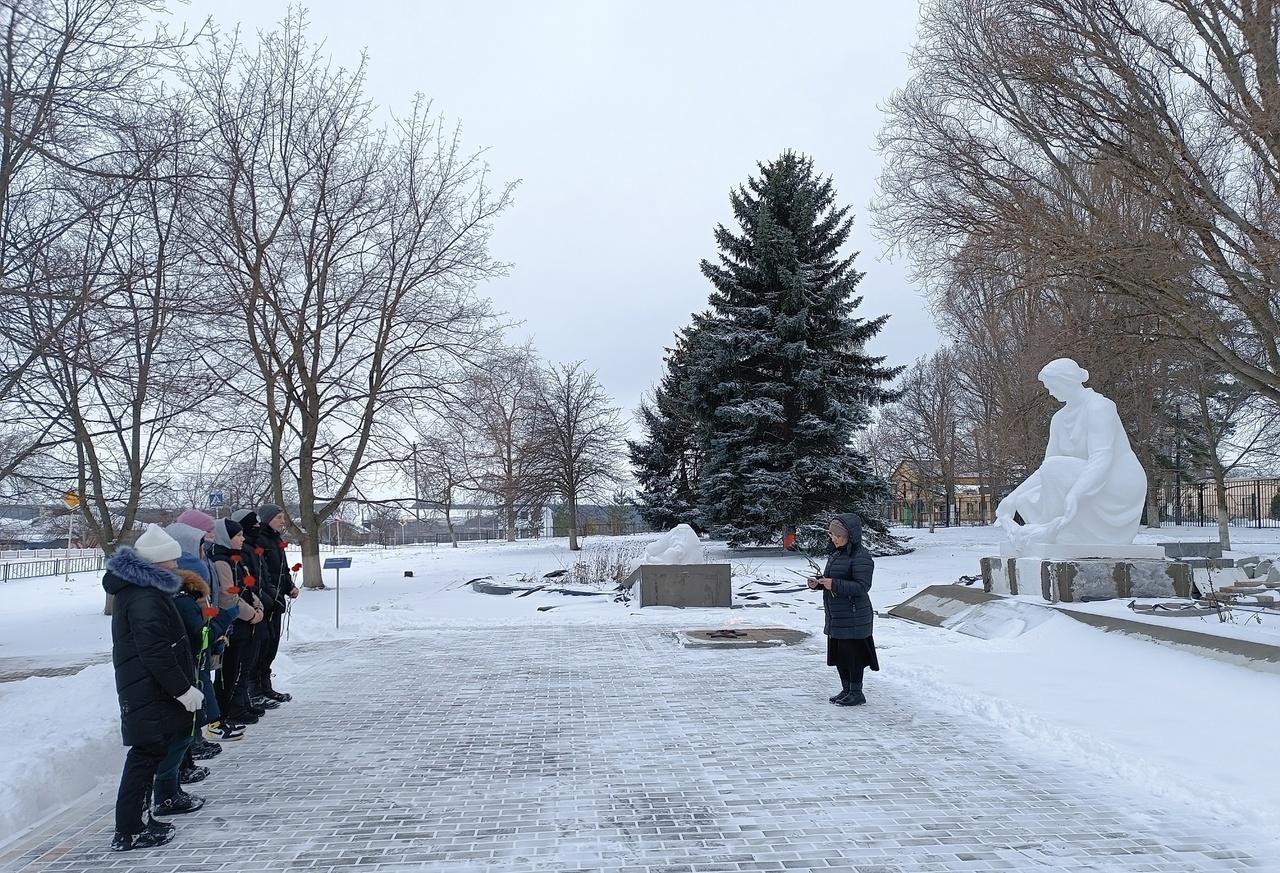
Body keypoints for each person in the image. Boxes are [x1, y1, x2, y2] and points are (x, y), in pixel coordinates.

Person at [104, 525, 204, 852]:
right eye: (172, 561)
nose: (177, 566)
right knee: (145, 756)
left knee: (148, 754)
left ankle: (137, 820)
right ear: (158, 564)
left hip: (149, 689)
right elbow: (156, 651)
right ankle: (130, 829)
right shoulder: (144, 596)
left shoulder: (143, 590)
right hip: (148, 690)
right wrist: (183, 690)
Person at [994, 358, 1147, 552]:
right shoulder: (1058, 418)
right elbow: (1046, 469)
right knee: (1026, 499)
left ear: (1067, 381)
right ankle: (1060, 535)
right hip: (1084, 476)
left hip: (1118, 481)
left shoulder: (1099, 407)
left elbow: (1101, 458)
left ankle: (1063, 533)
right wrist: (1012, 499)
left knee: (1054, 470)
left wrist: (1076, 493)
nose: (1050, 392)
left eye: (1052, 386)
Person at [808, 514, 879, 706]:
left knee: (853, 656)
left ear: (850, 535)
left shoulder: (860, 556)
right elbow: (833, 580)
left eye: (838, 535)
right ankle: (846, 689)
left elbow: (862, 586)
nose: (834, 538)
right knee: (840, 655)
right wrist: (820, 583)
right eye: (832, 534)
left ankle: (856, 692)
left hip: (854, 615)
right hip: (837, 615)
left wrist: (834, 584)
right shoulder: (837, 554)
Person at [211, 518, 265, 727]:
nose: (243, 539)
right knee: (233, 667)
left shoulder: (236, 558)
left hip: (248, 619)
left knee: (245, 664)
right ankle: (231, 707)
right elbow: (228, 596)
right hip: (236, 622)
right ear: (227, 537)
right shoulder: (221, 561)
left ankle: (242, 702)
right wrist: (251, 614)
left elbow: (248, 587)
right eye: (238, 536)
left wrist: (258, 606)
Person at [251, 503, 299, 704]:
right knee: (262, 645)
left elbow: (282, 569)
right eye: (279, 517)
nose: (282, 521)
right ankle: (255, 690)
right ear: (268, 519)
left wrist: (289, 587)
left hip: (277, 599)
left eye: (282, 517)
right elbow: (262, 573)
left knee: (272, 645)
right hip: (267, 600)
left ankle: (265, 686)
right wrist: (270, 595)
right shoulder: (259, 540)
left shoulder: (276, 539)